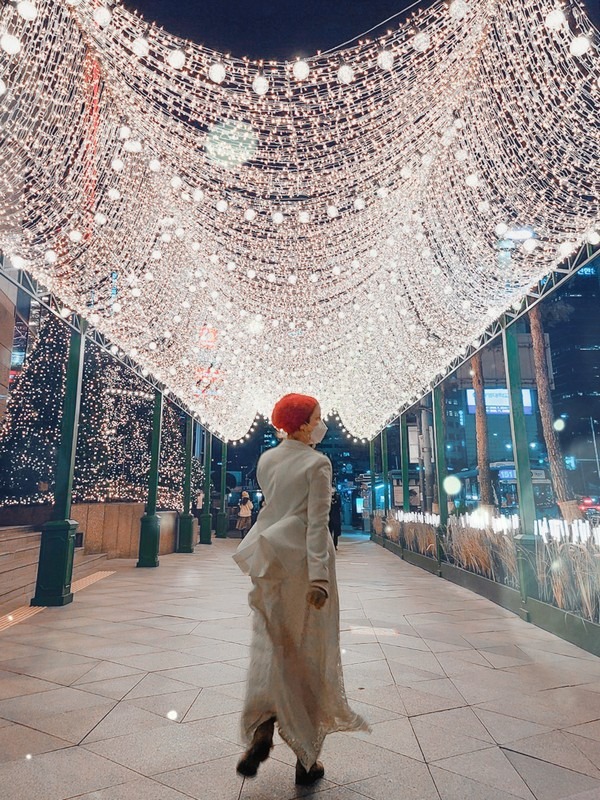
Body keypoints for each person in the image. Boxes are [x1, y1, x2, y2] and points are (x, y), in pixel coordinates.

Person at [233, 393, 368, 786]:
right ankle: (306, 760)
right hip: (306, 568)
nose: (321, 424)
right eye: (318, 418)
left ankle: (263, 728)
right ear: (305, 424)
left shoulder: (266, 460)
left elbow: (270, 511)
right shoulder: (318, 463)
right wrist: (321, 579)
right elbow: (316, 524)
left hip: (271, 562)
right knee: (309, 654)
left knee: (272, 647)